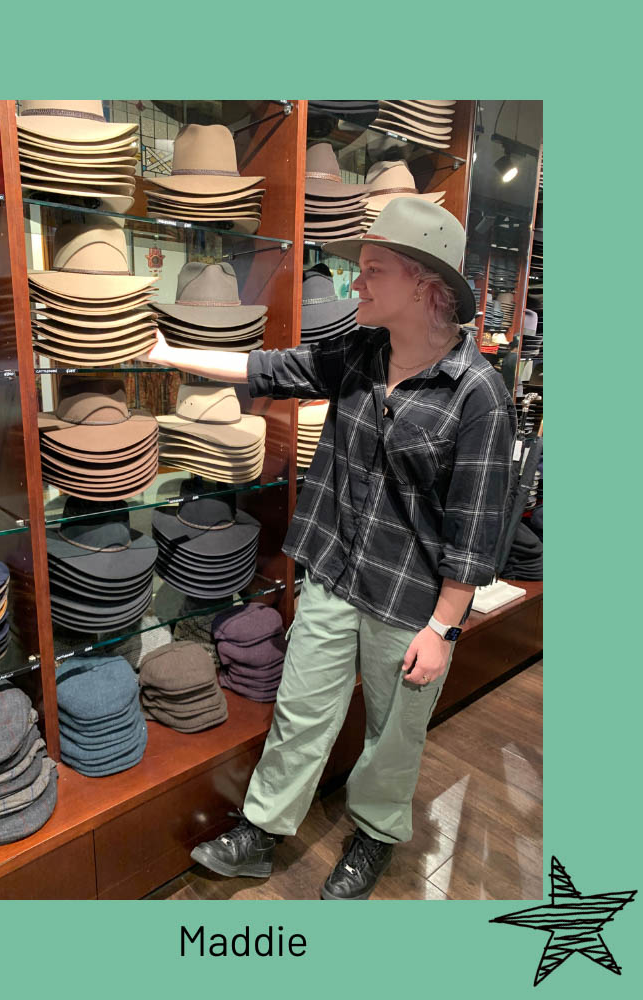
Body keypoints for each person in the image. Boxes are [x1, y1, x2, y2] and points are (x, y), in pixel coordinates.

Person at [150, 197, 515, 900]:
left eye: (374, 271)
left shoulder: (478, 396)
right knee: (302, 706)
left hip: (412, 599)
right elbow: (272, 369)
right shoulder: (360, 352)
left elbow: (476, 532)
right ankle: (263, 830)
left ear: (424, 285)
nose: (357, 284)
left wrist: (443, 628)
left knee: (393, 731)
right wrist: (165, 352)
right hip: (333, 572)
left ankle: (374, 836)